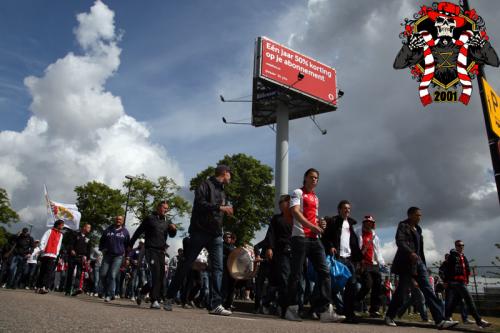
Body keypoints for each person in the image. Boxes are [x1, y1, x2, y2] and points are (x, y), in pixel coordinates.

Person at [165, 164, 234, 316]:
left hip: (216, 234)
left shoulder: (223, 191)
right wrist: (220, 208)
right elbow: (200, 204)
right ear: (224, 172)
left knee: (218, 268)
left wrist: (225, 212)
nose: (231, 177)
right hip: (199, 231)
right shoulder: (204, 184)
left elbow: (218, 211)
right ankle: (169, 297)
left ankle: (216, 304)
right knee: (186, 264)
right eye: (230, 174)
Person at [284, 168, 344, 323]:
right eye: (311, 177)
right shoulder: (297, 192)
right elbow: (295, 212)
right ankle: (291, 308)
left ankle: (325, 310)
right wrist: (311, 226)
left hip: (314, 238)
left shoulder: (315, 197)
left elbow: (314, 217)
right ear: (305, 178)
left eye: (317, 178)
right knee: (296, 274)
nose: (314, 180)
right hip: (300, 237)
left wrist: (320, 222)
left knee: (325, 271)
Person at [384, 207, 458, 329]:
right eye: (418, 215)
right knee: (401, 292)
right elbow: (400, 241)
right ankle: (389, 316)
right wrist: (410, 253)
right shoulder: (403, 225)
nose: (420, 217)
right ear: (410, 215)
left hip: (419, 264)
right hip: (407, 264)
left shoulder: (418, 229)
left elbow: (420, 249)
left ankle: (440, 320)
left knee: (429, 290)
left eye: (420, 215)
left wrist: (422, 263)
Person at [129, 201, 176, 309]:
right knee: (156, 273)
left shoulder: (167, 221)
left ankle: (143, 291)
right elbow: (138, 231)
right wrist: (131, 244)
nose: (166, 210)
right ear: (158, 207)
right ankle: (154, 300)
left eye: (167, 208)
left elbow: (172, 235)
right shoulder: (150, 218)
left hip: (161, 251)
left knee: (160, 277)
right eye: (164, 208)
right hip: (150, 249)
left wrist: (174, 229)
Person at [322, 200, 362, 322]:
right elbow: (325, 237)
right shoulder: (333, 222)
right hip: (337, 258)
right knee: (334, 286)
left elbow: (354, 244)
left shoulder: (350, 225)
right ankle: (319, 308)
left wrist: (359, 260)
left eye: (349, 208)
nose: (347, 210)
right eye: (345, 208)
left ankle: (349, 314)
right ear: (339, 210)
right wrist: (330, 247)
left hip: (348, 259)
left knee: (352, 285)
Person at [443, 240, 490, 328]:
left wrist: (467, 278)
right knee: (469, 300)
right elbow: (447, 270)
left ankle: (447, 317)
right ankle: (479, 321)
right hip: (456, 282)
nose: (461, 247)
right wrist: (446, 281)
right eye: (459, 245)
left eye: (462, 245)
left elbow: (467, 269)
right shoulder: (452, 257)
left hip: (462, 282)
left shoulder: (463, 257)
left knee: (455, 301)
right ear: (456, 246)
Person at [265, 194, 293, 318]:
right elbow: (271, 234)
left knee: (296, 280)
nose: (283, 205)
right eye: (281, 203)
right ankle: (284, 308)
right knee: (284, 278)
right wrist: (270, 247)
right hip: (281, 252)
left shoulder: (296, 218)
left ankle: (294, 307)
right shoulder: (276, 219)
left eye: (285, 203)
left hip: (296, 252)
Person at [356, 215, 386, 318]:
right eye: (367, 222)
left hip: (374, 264)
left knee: (377, 287)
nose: (369, 224)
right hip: (364, 264)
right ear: (364, 223)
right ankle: (355, 302)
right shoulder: (358, 233)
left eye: (371, 222)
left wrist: (381, 262)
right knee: (367, 285)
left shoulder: (375, 236)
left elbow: (378, 251)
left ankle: (374, 310)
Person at [99, 215, 130, 303]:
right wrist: (102, 249)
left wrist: (127, 257)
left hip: (118, 256)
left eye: (120, 219)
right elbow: (101, 241)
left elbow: (128, 246)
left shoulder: (125, 232)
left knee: (112, 275)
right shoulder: (108, 230)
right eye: (116, 219)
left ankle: (109, 294)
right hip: (107, 255)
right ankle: (109, 292)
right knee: (103, 274)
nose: (118, 220)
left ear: (123, 221)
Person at [36, 220, 65, 294]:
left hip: (53, 255)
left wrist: (57, 254)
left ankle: (44, 286)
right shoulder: (49, 231)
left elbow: (59, 245)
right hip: (45, 253)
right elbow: (43, 240)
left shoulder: (61, 235)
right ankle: (38, 286)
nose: (62, 226)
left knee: (49, 271)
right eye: (62, 225)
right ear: (58, 225)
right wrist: (42, 249)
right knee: (43, 270)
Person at [65, 223, 91, 296]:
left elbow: (89, 249)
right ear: (84, 227)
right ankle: (67, 290)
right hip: (73, 256)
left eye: (90, 228)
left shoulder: (88, 238)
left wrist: (88, 259)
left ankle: (76, 289)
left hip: (81, 258)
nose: (89, 229)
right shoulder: (76, 235)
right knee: (70, 273)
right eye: (88, 227)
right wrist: (72, 249)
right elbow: (71, 244)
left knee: (79, 273)